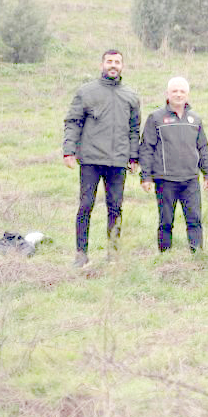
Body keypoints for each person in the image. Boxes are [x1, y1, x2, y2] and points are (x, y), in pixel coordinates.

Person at [63, 49, 141, 269]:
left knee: (115, 207)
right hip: (90, 160)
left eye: (117, 62)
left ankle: (113, 254)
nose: (113, 65)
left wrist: (134, 156)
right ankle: (81, 253)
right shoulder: (86, 92)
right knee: (85, 205)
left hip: (118, 162)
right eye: (109, 62)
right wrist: (69, 150)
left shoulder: (131, 96)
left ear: (122, 66)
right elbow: (73, 121)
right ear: (102, 65)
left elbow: (134, 129)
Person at [139, 76, 208, 254]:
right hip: (165, 180)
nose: (178, 94)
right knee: (166, 221)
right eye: (174, 91)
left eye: (182, 91)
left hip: (190, 179)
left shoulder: (195, 119)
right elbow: (147, 148)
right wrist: (146, 177)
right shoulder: (156, 118)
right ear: (167, 94)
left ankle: (198, 255)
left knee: (194, 220)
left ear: (187, 95)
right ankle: (165, 256)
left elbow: (203, 147)